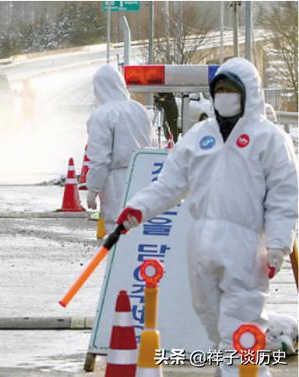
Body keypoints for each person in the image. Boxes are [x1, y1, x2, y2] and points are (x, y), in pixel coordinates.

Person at [116, 58, 298, 377]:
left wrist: (279, 244)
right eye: (220, 90)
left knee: (240, 325)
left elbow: (284, 196)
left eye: (231, 90)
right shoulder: (200, 135)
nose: (224, 96)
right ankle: (239, 369)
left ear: (248, 93)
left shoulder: (269, 139)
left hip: (245, 243)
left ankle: (239, 371)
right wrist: (138, 209)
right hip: (200, 242)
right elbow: (170, 184)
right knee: (211, 318)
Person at [85, 64, 156, 233]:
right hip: (143, 175)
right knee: (141, 228)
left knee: (118, 229)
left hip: (116, 181)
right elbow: (153, 144)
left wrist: (93, 188)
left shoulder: (101, 115)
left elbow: (99, 158)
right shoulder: (138, 109)